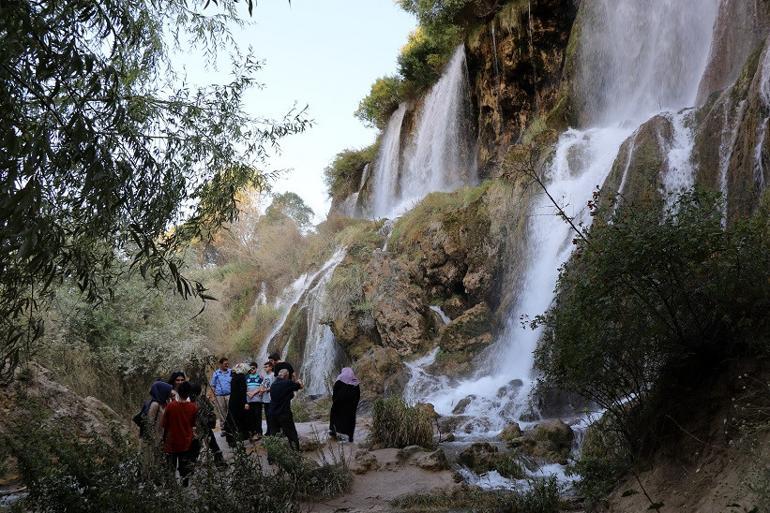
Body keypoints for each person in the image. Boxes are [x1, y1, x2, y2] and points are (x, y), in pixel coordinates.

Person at [160, 381, 198, 486]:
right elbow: (193, 424)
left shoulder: (171, 406)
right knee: (184, 464)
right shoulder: (193, 407)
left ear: (178, 392)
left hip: (171, 441)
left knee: (171, 465)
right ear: (189, 393)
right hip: (186, 441)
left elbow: (164, 424)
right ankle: (185, 482)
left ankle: (171, 485)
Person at [268, 368, 303, 451]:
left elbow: (288, 395)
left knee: (273, 435)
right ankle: (296, 453)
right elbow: (300, 386)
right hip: (284, 413)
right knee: (291, 434)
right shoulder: (287, 383)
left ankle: (271, 457)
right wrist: (298, 381)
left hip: (272, 413)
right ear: (287, 375)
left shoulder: (273, 385)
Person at [189, 382, 224, 466]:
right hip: (205, 426)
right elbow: (211, 408)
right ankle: (220, 462)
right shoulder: (202, 399)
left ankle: (190, 466)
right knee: (213, 445)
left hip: (200, 427)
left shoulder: (193, 402)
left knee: (196, 447)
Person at [329, 367, 361, 442]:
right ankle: (350, 437)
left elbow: (335, 393)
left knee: (335, 415)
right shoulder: (355, 382)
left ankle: (334, 431)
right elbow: (358, 395)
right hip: (351, 407)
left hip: (339, 405)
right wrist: (354, 405)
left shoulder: (339, 380)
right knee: (351, 419)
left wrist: (335, 402)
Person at [225, 362, 249, 445]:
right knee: (239, 418)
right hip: (239, 401)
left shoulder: (234, 377)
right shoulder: (241, 377)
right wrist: (245, 402)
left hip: (233, 400)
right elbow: (242, 391)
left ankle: (231, 438)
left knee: (232, 418)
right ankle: (236, 438)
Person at [210, 357, 231, 428]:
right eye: (225, 364)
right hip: (219, 396)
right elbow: (213, 386)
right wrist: (212, 397)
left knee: (230, 411)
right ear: (221, 364)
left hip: (229, 395)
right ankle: (223, 427)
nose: (227, 365)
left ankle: (231, 427)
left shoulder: (231, 372)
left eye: (228, 364)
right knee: (221, 412)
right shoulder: (216, 373)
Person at [245, 361, 263, 439]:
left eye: (253, 368)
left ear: (256, 369)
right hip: (249, 401)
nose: (252, 369)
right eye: (250, 368)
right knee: (250, 417)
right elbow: (243, 387)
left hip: (257, 400)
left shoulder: (260, 377)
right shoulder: (246, 377)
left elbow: (262, 387)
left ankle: (259, 432)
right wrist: (248, 393)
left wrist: (253, 393)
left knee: (258, 417)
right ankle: (252, 432)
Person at [259, 361, 275, 435]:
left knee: (271, 416)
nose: (265, 368)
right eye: (264, 367)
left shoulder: (273, 375)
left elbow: (274, 386)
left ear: (271, 367)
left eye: (266, 367)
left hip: (271, 399)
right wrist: (260, 391)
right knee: (267, 416)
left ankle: (273, 431)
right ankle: (268, 431)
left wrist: (264, 390)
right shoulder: (265, 376)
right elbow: (262, 385)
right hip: (265, 400)